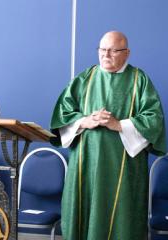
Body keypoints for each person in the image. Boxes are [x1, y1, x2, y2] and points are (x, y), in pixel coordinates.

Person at [50, 31, 166, 240]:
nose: (106, 55)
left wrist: (119, 125)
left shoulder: (139, 80)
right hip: (85, 164)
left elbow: (154, 119)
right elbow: (63, 114)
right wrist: (85, 121)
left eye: (113, 51)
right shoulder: (85, 78)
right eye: (102, 50)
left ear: (127, 53)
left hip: (124, 166)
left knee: (121, 219)